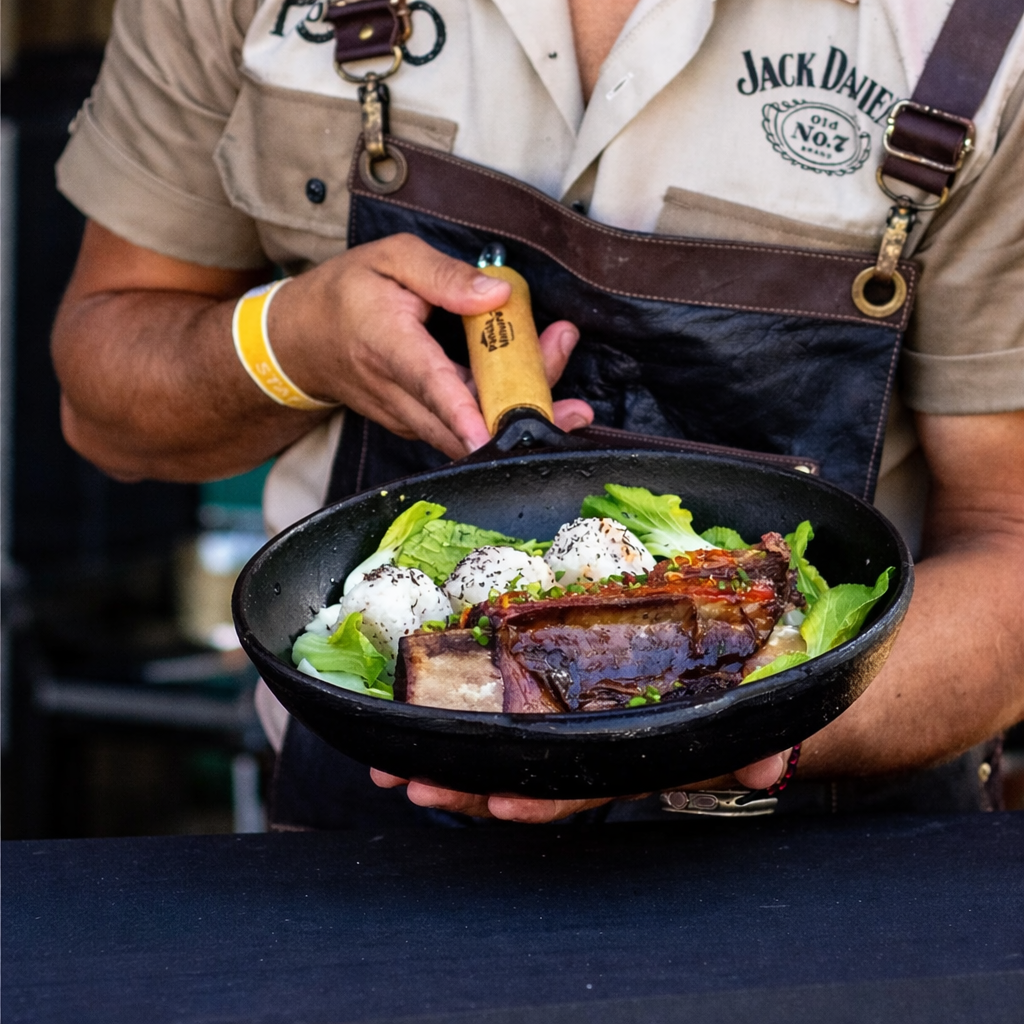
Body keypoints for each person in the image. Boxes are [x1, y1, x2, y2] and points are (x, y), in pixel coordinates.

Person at [52, 0, 1023, 824]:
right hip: (364, 846)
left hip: (822, 871)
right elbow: (104, 408)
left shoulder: (980, 33)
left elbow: (1008, 541)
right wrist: (294, 344)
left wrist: (702, 721)